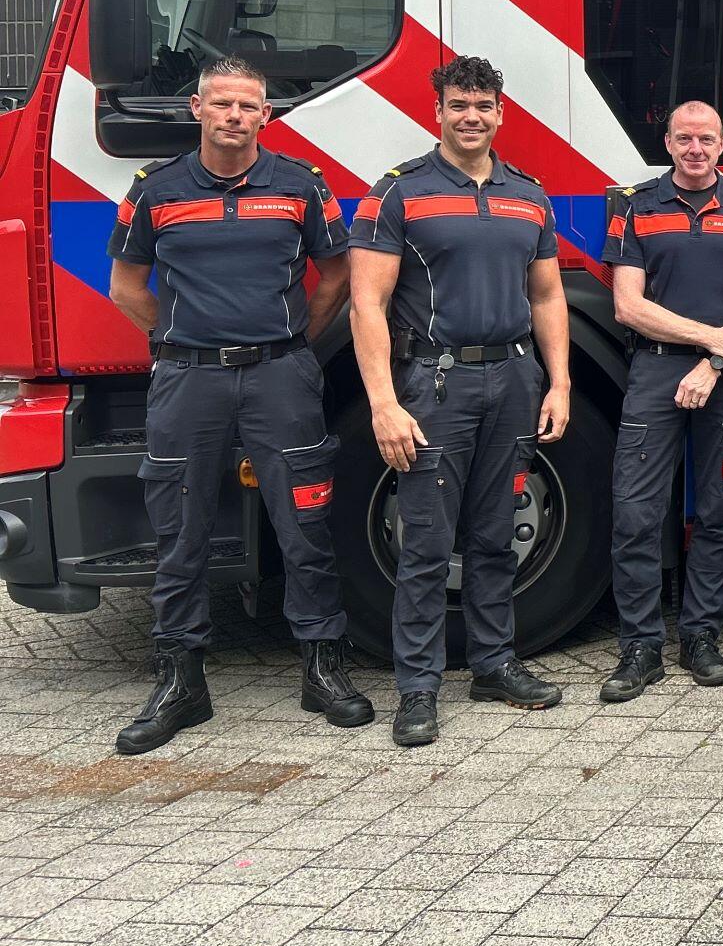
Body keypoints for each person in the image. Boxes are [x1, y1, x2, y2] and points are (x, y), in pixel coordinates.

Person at [105, 57, 370, 754]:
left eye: (248, 106)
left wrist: (291, 344)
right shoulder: (156, 191)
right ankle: (181, 682)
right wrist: (176, 340)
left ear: (266, 115)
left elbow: (335, 275)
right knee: (180, 529)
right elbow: (126, 286)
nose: (234, 116)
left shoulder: (299, 187)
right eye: (221, 104)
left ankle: (322, 669)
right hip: (188, 380)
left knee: (305, 525)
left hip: (281, 374)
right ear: (197, 108)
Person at [352, 56, 571, 747]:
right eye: (458, 104)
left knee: (492, 536)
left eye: (483, 104)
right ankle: (417, 688)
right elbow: (367, 303)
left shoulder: (528, 195)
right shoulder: (399, 194)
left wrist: (559, 381)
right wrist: (385, 404)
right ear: (436, 113)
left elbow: (547, 296)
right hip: (434, 386)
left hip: (513, 380)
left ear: (501, 114)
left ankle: (494, 664)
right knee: (425, 544)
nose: (471, 115)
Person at [598, 102, 723, 702]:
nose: (695, 148)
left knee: (717, 513)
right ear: (667, 142)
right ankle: (641, 647)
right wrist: (708, 340)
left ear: (722, 142)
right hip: (655, 373)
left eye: (706, 138)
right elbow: (628, 305)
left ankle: (701, 636)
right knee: (637, 514)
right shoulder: (634, 207)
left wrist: (715, 362)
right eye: (684, 138)